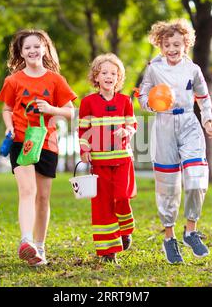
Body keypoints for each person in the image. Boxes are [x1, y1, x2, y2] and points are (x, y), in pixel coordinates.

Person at [138, 19, 212, 264]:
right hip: (163, 125)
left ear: (186, 44)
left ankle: (191, 230)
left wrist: (207, 121)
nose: (172, 49)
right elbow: (143, 95)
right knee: (168, 185)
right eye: (166, 44)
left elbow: (203, 97)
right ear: (160, 45)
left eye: (177, 44)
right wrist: (152, 103)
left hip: (189, 123)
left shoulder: (193, 69)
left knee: (196, 177)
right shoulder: (153, 68)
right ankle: (169, 237)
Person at [0, 29, 77, 266]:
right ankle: (26, 240)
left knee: (42, 197)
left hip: (47, 142)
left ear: (45, 48)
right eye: (27, 48)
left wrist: (51, 109)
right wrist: (9, 127)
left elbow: (70, 112)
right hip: (21, 141)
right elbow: (7, 109)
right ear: (21, 53)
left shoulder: (55, 80)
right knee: (27, 191)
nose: (32, 51)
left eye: (36, 46)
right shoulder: (13, 80)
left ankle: (39, 248)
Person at [78, 53, 137, 264]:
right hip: (99, 163)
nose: (109, 76)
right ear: (96, 77)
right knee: (102, 205)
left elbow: (132, 125)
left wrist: (127, 132)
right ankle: (107, 251)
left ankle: (124, 231)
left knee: (122, 196)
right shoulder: (88, 103)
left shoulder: (125, 101)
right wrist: (84, 150)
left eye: (113, 73)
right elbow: (83, 131)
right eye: (104, 72)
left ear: (118, 77)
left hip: (122, 160)